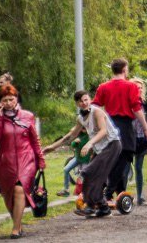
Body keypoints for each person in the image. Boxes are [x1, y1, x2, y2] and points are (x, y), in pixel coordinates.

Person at [44, 90, 122, 219]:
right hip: (99, 149)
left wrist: (89, 144)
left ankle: (91, 206)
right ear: (77, 103)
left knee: (87, 172)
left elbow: (103, 131)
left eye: (86, 99)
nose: (84, 103)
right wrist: (52, 147)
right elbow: (71, 135)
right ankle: (102, 208)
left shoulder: (97, 112)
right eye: (81, 101)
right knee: (89, 175)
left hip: (112, 145)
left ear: (90, 99)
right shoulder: (80, 118)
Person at [92, 58, 147, 201]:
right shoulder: (130, 87)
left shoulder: (103, 87)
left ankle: (120, 192)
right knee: (124, 159)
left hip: (109, 125)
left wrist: (97, 124)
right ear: (125, 70)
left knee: (113, 158)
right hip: (125, 126)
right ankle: (107, 193)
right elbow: (136, 108)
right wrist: (146, 128)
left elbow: (94, 106)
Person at [0, 84, 44, 238]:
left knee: (19, 189)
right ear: (0, 102)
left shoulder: (27, 116)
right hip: (6, 161)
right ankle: (18, 224)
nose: (9, 103)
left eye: (11, 99)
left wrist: (41, 159)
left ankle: (16, 229)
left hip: (26, 159)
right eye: (5, 100)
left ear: (16, 99)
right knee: (8, 194)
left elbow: (35, 140)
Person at [125, 78, 147, 205]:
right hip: (128, 139)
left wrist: (146, 130)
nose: (139, 89)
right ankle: (123, 195)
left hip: (141, 139)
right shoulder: (126, 103)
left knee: (139, 168)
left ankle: (140, 196)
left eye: (141, 87)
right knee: (125, 169)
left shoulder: (145, 105)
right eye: (137, 87)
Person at [56, 130, 90, 197]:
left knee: (83, 176)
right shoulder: (78, 134)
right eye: (82, 128)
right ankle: (66, 190)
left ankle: (84, 193)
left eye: (84, 128)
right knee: (66, 169)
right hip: (77, 158)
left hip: (86, 160)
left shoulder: (90, 135)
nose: (83, 129)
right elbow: (73, 145)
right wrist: (75, 142)